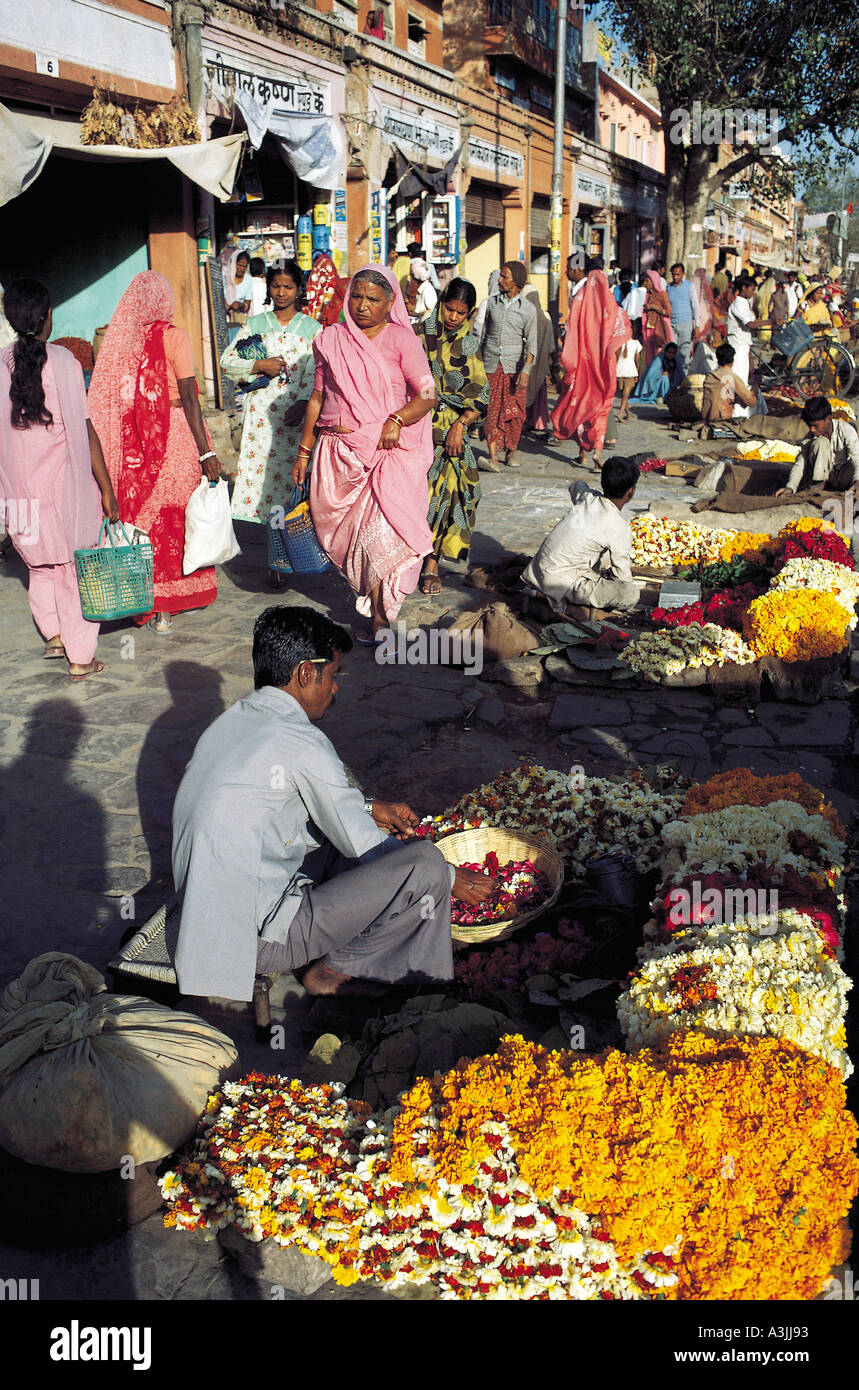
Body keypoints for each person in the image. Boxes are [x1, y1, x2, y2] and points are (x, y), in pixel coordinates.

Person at [172, 606, 495, 1002]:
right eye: (333, 675)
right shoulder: (302, 741)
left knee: (351, 835)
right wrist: (449, 878)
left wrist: (367, 806)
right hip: (254, 942)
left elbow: (300, 799)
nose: (336, 688)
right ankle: (331, 973)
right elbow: (367, 846)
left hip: (206, 919)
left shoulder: (232, 722)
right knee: (424, 865)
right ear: (306, 673)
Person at [293, 265, 437, 643]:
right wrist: (304, 452)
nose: (362, 306)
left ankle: (379, 616)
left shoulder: (403, 342)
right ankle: (370, 601)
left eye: (373, 299)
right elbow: (318, 397)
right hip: (337, 455)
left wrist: (396, 419)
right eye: (356, 296)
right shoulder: (330, 339)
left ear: (391, 302)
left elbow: (426, 395)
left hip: (386, 454)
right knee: (352, 538)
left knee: (379, 535)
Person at [88, 271, 224, 634]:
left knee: (148, 516)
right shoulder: (174, 336)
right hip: (175, 432)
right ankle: (171, 601)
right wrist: (206, 452)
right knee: (177, 511)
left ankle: (147, 600)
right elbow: (191, 398)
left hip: (135, 440)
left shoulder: (121, 344)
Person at [0, 278, 119, 681]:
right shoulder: (65, 362)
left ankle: (53, 635)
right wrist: (106, 488)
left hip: (20, 493)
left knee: (39, 565)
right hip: (64, 490)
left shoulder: (0, 363)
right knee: (71, 568)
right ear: (47, 316)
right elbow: (84, 429)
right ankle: (81, 658)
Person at [220, 262, 320, 583]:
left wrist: (305, 403)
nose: (281, 292)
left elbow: (318, 371)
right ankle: (272, 560)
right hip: (262, 420)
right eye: (276, 286)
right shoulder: (255, 324)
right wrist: (259, 363)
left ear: (299, 290)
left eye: (288, 287)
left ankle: (286, 556)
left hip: (295, 422)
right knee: (266, 487)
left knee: (290, 487)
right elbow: (228, 362)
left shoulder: (312, 329)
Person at [416, 278, 489, 595]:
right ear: (441, 302)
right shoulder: (420, 334)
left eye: (461, 313)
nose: (453, 317)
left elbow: (481, 396)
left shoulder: (469, 344)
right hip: (415, 425)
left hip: (450, 433)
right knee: (416, 499)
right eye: (449, 309)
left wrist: (460, 425)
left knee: (446, 496)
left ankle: (432, 564)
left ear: (469, 313)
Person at [522, 456, 640, 614]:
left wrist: (591, 493)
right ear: (630, 492)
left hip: (538, 570)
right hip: (560, 582)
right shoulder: (619, 527)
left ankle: (546, 593)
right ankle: (559, 602)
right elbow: (623, 577)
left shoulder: (587, 497)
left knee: (604, 556)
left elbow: (575, 485)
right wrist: (624, 588)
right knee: (630, 594)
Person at [551, 266, 631, 466]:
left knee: (581, 407)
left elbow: (568, 335)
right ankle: (597, 451)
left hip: (582, 368)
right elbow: (621, 339)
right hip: (604, 368)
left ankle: (582, 454)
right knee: (601, 410)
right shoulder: (616, 311)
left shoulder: (579, 304)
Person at [479, 260, 537, 470]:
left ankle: (511, 453)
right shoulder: (492, 303)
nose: (500, 280)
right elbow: (484, 335)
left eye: (505, 276)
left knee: (515, 413)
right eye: (500, 276)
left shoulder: (528, 309)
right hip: (491, 364)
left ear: (517, 281)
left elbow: (532, 343)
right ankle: (493, 457)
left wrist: (526, 370)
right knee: (492, 410)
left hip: (514, 368)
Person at [777, 396, 859, 498]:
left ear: (828, 419)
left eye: (816, 425)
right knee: (820, 442)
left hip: (844, 476)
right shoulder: (810, 438)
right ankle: (818, 484)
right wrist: (790, 486)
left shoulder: (846, 430)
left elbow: (856, 458)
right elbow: (800, 464)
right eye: (809, 425)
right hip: (827, 478)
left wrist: (857, 480)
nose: (812, 430)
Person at [522, 285, 556, 443]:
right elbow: (551, 345)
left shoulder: (524, 314)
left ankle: (523, 420)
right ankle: (539, 422)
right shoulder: (546, 316)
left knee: (523, 391)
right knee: (539, 391)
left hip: (526, 362)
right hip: (541, 361)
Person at [725, 277, 769, 385]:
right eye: (752, 289)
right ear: (744, 288)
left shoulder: (745, 303)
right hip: (737, 345)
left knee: (743, 379)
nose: (753, 292)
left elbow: (753, 321)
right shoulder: (738, 304)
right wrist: (770, 321)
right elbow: (750, 324)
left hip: (743, 345)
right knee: (738, 380)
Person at [701, 343, 758, 422]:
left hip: (706, 417)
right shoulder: (730, 376)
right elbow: (750, 401)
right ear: (732, 360)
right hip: (721, 419)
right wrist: (756, 385)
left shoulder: (710, 375)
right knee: (755, 397)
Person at [665, 262, 700, 370]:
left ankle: (683, 378)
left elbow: (695, 306)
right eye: (674, 274)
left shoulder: (689, 286)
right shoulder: (668, 287)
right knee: (672, 352)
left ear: (683, 274)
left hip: (686, 323)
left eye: (678, 274)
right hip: (672, 324)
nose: (675, 277)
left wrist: (697, 326)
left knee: (684, 352)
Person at [631, 340, 684, 405]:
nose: (671, 355)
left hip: (671, 384)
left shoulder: (676, 360)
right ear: (665, 352)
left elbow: (681, 373)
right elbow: (650, 375)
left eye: (673, 353)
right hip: (657, 384)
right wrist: (662, 374)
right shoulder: (659, 359)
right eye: (669, 352)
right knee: (664, 377)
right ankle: (662, 396)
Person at [641, 270, 674, 365]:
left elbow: (669, 312)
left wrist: (653, 307)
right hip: (649, 328)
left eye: (647, 281)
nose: (645, 284)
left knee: (659, 354)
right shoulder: (648, 295)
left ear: (653, 281)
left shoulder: (662, 294)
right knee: (650, 356)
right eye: (645, 282)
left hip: (659, 329)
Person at [402, 258, 438, 326]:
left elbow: (432, 312)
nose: (411, 277)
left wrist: (417, 314)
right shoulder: (422, 288)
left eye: (412, 274)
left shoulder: (428, 290)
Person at [615, 333, 641, 421]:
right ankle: (620, 413)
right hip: (630, 370)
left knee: (623, 394)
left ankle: (627, 413)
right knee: (625, 395)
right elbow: (637, 359)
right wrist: (637, 372)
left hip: (619, 370)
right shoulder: (636, 343)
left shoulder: (618, 342)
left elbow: (616, 356)